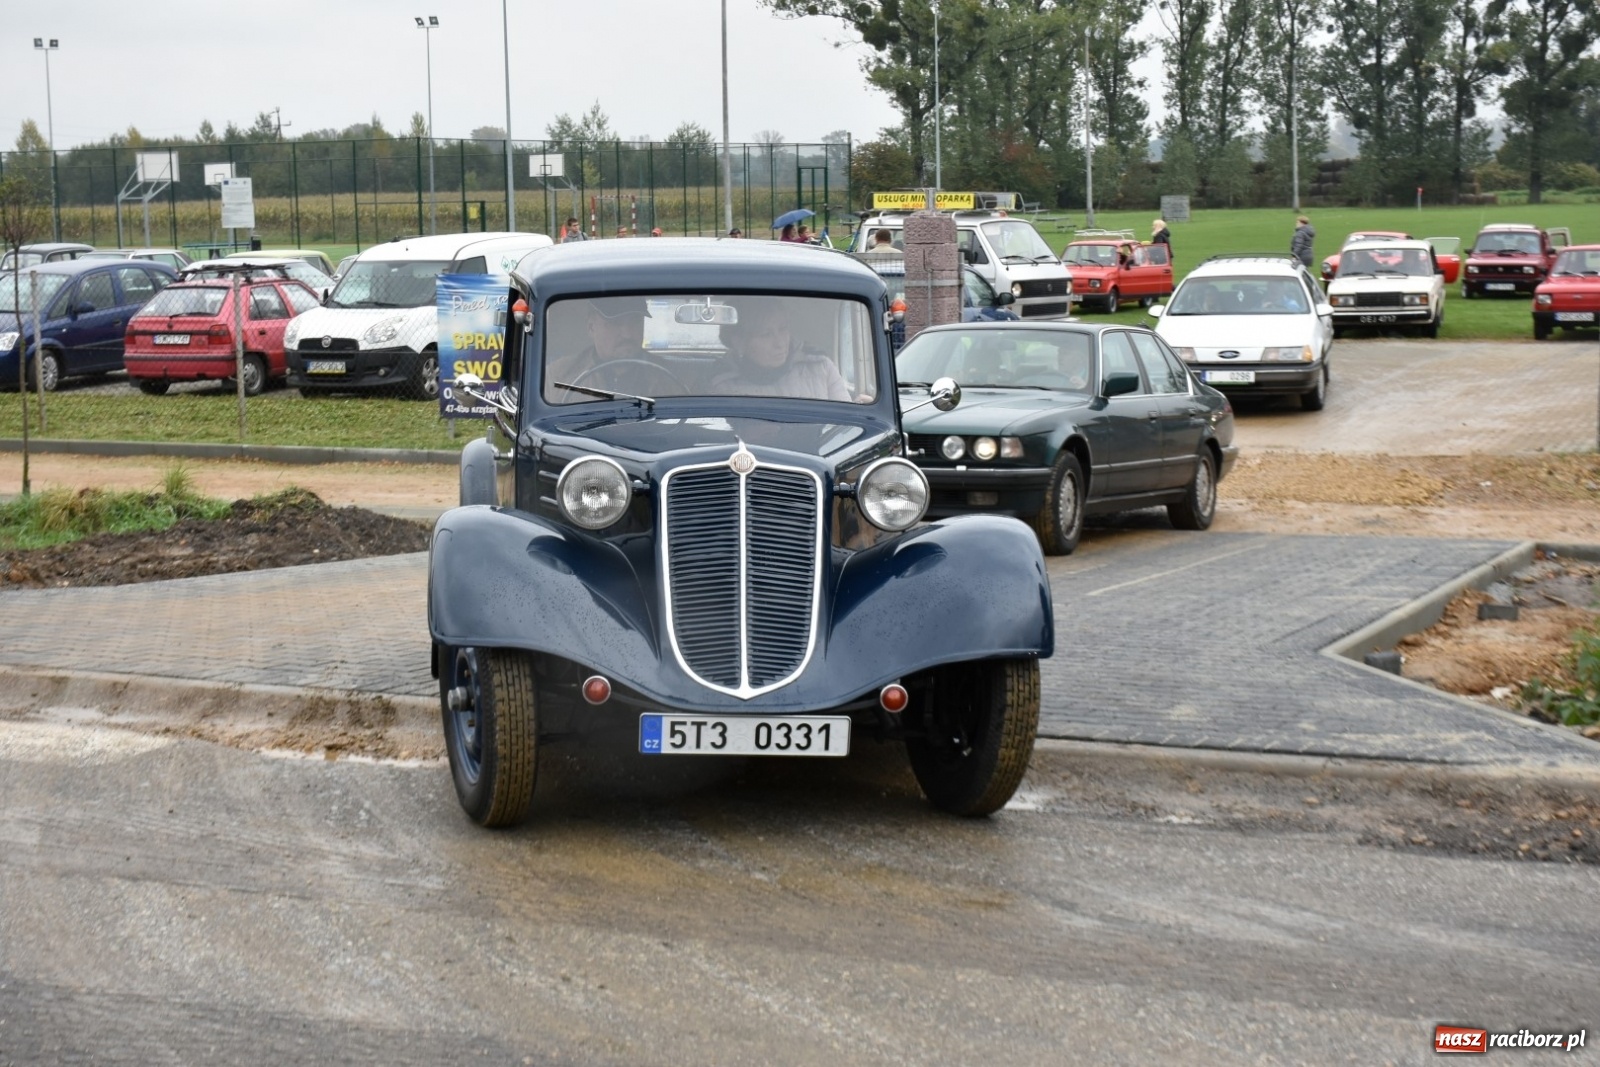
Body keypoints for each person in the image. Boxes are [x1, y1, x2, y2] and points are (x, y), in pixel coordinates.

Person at [711, 298, 853, 401]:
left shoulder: (820, 366)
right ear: (739, 343)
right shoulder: (723, 384)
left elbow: (844, 424)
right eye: (766, 334)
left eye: (783, 329)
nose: (780, 343)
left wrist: (858, 411)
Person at [546, 298, 648, 399]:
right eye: (615, 323)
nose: (627, 334)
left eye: (636, 321)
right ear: (591, 327)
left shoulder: (663, 376)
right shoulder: (559, 376)